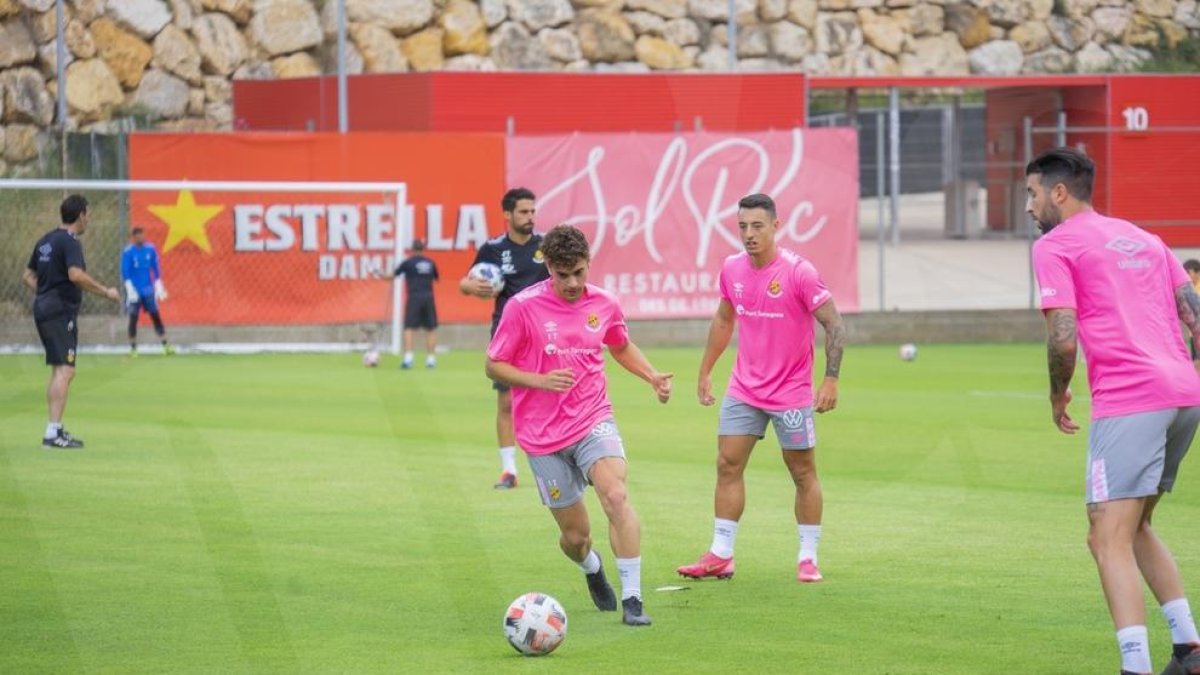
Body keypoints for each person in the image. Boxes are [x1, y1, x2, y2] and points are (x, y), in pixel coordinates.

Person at [1027, 147, 1200, 675]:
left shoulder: (1057, 245)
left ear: (1059, 192)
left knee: (1106, 536)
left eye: (1032, 195)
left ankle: (1135, 666)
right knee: (1136, 525)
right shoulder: (1144, 238)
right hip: (1184, 395)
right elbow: (1194, 312)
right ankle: (1189, 648)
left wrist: (1058, 393)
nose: (1030, 207)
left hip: (1131, 400)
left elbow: (1061, 337)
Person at [485, 224, 672, 626]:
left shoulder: (604, 303)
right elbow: (493, 364)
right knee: (575, 537)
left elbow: (619, 344)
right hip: (541, 436)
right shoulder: (522, 307)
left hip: (592, 419)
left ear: (589, 265)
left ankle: (634, 601)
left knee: (616, 495)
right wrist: (539, 381)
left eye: (580, 272)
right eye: (563, 273)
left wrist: (652, 376)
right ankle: (591, 566)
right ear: (548, 267)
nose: (572, 282)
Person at [677, 193, 846, 584]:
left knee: (802, 472)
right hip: (744, 389)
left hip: (790, 392)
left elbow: (835, 325)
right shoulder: (732, 269)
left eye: (757, 226)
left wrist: (831, 379)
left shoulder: (799, 272)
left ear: (776, 227)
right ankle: (721, 554)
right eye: (742, 227)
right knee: (727, 464)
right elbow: (723, 320)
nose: (749, 234)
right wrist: (705, 371)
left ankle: (807, 557)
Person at [461, 187, 550, 489]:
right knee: (506, 402)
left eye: (533, 211)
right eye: (524, 212)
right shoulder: (493, 249)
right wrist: (470, 287)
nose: (530, 217)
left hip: (544, 330)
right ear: (508, 215)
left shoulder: (546, 245)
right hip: (508, 331)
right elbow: (466, 281)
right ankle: (509, 470)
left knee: (551, 395)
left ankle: (555, 460)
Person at [22, 195, 122, 449]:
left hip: (46, 308)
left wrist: (45, 294)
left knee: (60, 370)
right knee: (66, 370)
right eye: (88, 213)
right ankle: (52, 433)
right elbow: (75, 274)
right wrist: (105, 291)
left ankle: (54, 429)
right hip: (59, 312)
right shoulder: (70, 242)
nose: (89, 219)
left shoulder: (46, 240)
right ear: (80, 215)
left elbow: (27, 275)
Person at [121, 226, 174, 356]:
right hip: (134, 291)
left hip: (148, 290)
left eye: (142, 235)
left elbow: (155, 268)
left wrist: (158, 285)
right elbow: (125, 271)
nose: (141, 237)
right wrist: (129, 288)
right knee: (133, 318)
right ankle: (133, 348)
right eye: (137, 235)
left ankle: (165, 345)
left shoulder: (150, 249)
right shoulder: (128, 252)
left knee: (155, 316)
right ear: (133, 238)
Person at [394, 239, 439, 369]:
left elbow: (394, 275)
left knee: (409, 328)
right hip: (428, 297)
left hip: (414, 297)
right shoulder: (430, 263)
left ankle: (408, 359)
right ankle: (431, 360)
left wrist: (380, 275)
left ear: (413, 249)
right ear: (423, 249)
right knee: (431, 328)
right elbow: (436, 278)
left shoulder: (408, 263)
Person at [1183, 259, 1200, 359]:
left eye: (1188, 272)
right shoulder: (1191, 287)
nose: (1186, 276)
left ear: (1197, 271)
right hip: (1193, 334)